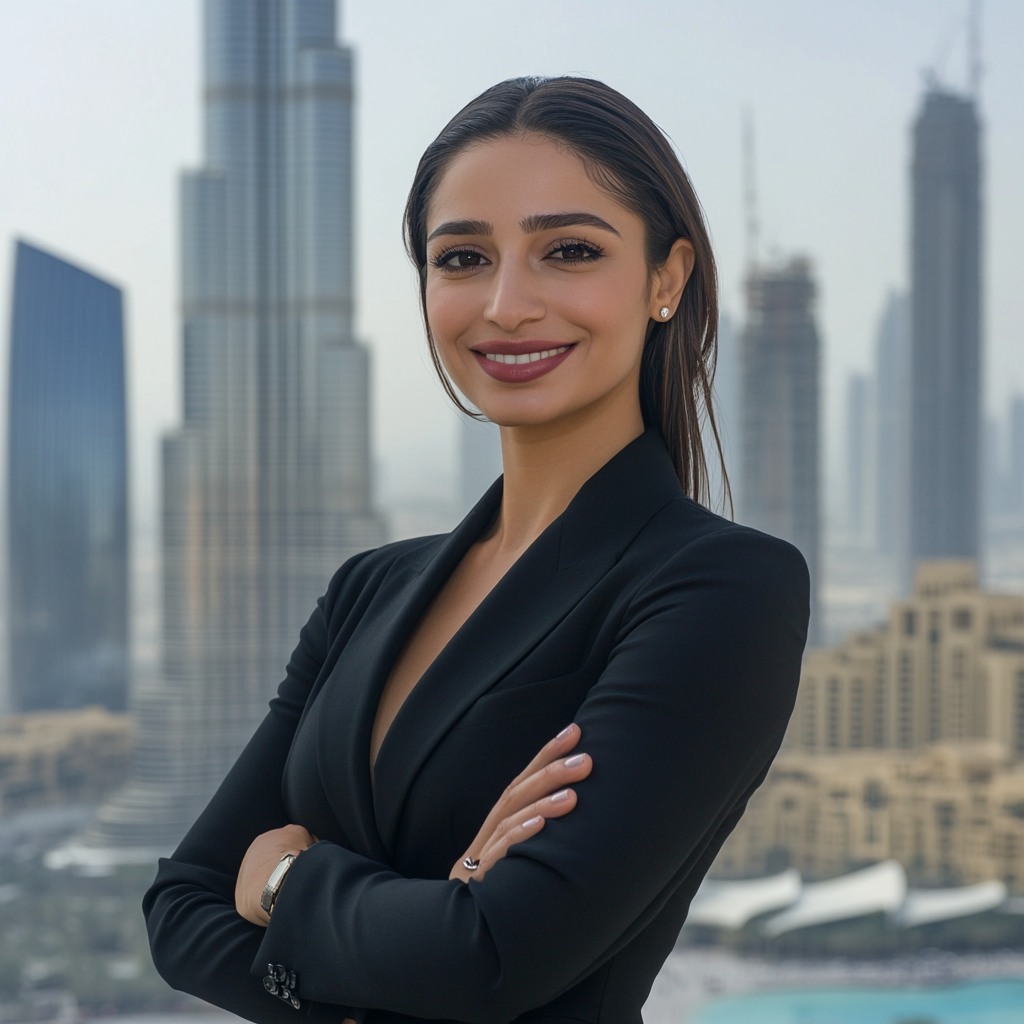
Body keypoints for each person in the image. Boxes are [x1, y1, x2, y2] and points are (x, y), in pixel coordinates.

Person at [144, 76, 809, 1024]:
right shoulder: (369, 588)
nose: (506, 304)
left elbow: (493, 956)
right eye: (462, 257)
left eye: (569, 251)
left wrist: (288, 880)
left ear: (667, 279)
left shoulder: (722, 589)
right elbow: (179, 909)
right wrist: (428, 926)